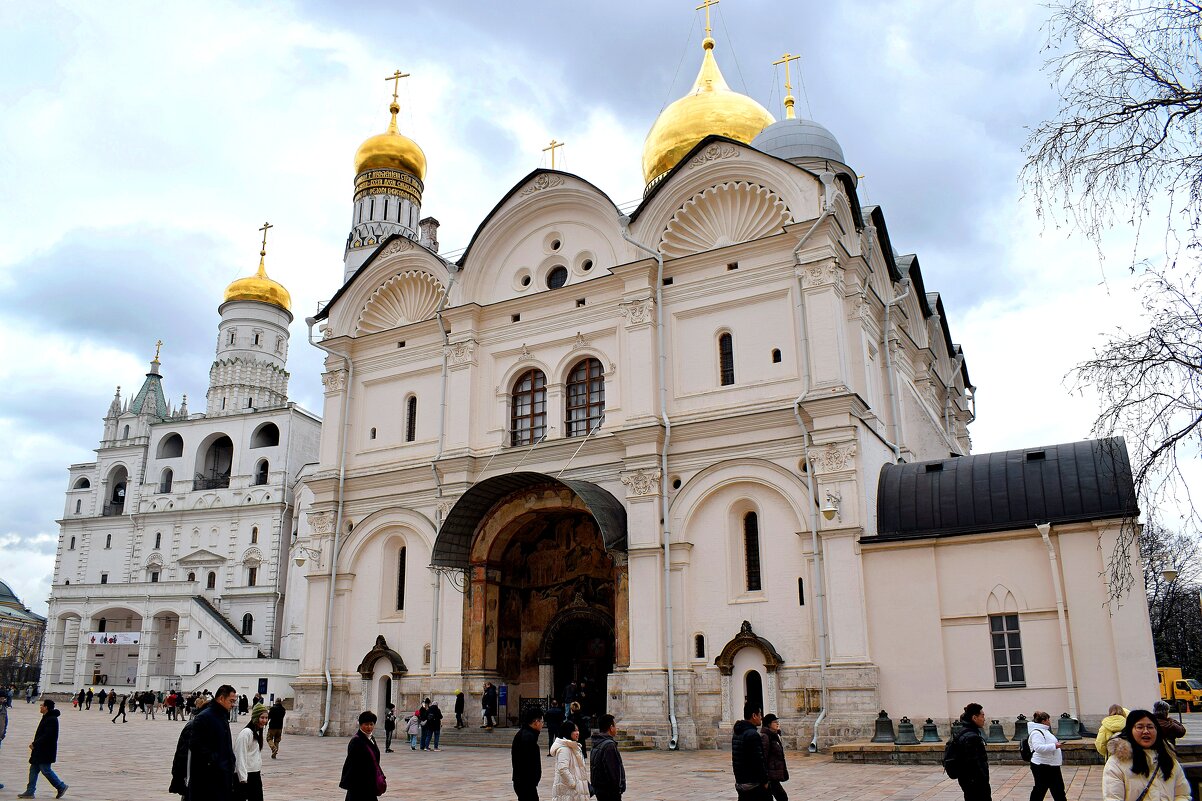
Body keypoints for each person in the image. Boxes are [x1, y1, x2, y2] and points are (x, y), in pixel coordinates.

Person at [1102, 709, 1189, 801]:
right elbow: (1112, 798)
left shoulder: (1168, 759)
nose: (1146, 731)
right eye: (1140, 727)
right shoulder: (1116, 763)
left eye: (1150, 727)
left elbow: (1182, 794)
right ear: (1130, 730)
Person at [187, 684, 238, 801]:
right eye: (231, 701)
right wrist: (215, 761)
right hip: (208, 780)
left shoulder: (222, 716)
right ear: (221, 699)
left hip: (222, 776)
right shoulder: (204, 717)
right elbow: (195, 745)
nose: (233, 704)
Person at [18, 699, 67, 799]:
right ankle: (30, 791)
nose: (40, 707)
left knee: (45, 770)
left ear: (46, 708)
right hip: (40, 750)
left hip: (46, 750)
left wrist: (35, 744)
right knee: (33, 769)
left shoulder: (51, 719)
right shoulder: (46, 717)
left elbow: (47, 735)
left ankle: (61, 786)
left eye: (42, 705)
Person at [339, 710, 384, 801]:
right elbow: (353, 764)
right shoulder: (356, 741)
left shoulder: (371, 738)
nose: (369, 727)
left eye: (371, 724)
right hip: (359, 784)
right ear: (360, 724)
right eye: (366, 724)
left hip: (369, 782)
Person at [169, 696, 208, 797]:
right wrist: (183, 777)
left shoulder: (213, 727)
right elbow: (184, 755)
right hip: (192, 778)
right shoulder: (195, 727)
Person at [952, 703, 991, 801]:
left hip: (966, 780)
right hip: (976, 783)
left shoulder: (963, 732)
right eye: (982, 716)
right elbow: (975, 764)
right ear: (974, 717)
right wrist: (985, 779)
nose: (984, 719)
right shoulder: (972, 737)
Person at [732, 703, 768, 800]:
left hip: (741, 782)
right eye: (760, 714)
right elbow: (758, 761)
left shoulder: (737, 733)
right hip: (753, 784)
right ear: (754, 715)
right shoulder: (752, 734)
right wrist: (765, 781)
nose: (761, 717)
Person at [1027, 711, 1066, 801]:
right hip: (1042, 765)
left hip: (1051, 764)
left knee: (1058, 789)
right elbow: (1038, 748)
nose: (1049, 721)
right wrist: (1055, 746)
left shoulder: (1045, 731)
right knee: (1040, 789)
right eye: (1048, 719)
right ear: (1044, 720)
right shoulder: (1036, 733)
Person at [234, 703, 268, 801]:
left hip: (255, 775)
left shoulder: (256, 732)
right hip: (246, 777)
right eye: (262, 717)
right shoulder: (246, 733)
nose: (264, 721)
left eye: (266, 718)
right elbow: (240, 757)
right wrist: (243, 780)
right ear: (255, 717)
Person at [590, 713, 626, 801]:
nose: (616, 729)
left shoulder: (596, 743)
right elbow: (613, 770)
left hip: (600, 789)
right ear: (611, 727)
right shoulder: (609, 745)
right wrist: (618, 788)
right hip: (609, 792)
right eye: (615, 726)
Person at [551, 720, 590, 801]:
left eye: (578, 730)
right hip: (568, 791)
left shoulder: (573, 746)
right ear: (568, 732)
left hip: (574, 791)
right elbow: (562, 769)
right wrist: (573, 783)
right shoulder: (564, 749)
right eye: (574, 730)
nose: (577, 733)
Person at [512, 706, 544, 801]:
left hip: (524, 782)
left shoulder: (527, 734)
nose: (542, 724)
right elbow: (527, 762)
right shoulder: (527, 737)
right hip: (525, 783)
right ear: (536, 722)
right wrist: (533, 780)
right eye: (542, 721)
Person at [760, 713, 789, 801]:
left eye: (777, 721)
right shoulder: (765, 737)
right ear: (769, 724)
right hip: (770, 776)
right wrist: (765, 778)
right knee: (782, 797)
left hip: (774, 775)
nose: (777, 723)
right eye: (775, 722)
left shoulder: (775, 736)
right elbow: (763, 757)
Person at [0, 694, 8, 791]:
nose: (3, 700)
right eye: (1, 698)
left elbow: (6, 721)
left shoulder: (3, 708)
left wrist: (3, 734)